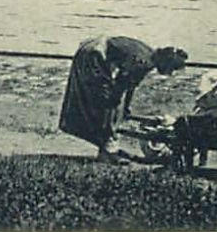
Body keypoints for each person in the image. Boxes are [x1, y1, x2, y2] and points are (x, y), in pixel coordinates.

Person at [58, 35, 189, 161]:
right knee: (103, 103)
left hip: (93, 47)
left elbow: (130, 85)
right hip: (93, 54)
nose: (170, 73)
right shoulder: (142, 62)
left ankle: (106, 145)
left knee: (111, 103)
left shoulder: (148, 55)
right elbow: (121, 85)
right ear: (165, 62)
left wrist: (125, 107)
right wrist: (114, 109)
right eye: (171, 69)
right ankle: (107, 150)